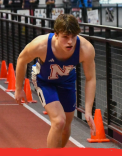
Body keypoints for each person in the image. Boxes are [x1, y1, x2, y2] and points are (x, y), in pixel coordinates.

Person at [15, 14, 96, 148]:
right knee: (59, 121)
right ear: (56, 35)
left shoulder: (85, 49)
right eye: (65, 37)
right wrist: (19, 89)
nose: (70, 42)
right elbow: (21, 60)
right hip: (44, 81)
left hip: (67, 82)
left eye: (73, 37)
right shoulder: (40, 45)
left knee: (65, 127)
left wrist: (88, 111)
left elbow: (91, 78)